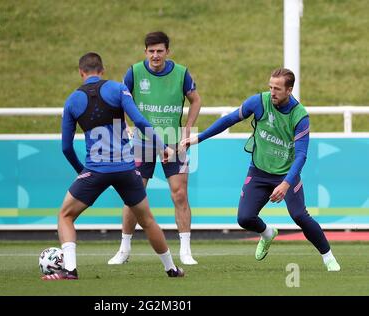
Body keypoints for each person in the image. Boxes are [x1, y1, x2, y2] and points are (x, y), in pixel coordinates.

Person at [179, 68, 340, 271]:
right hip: (259, 171)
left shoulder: (300, 116)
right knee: (244, 218)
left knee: (299, 215)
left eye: (278, 89)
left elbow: (301, 155)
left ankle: (328, 257)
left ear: (289, 90)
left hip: (286, 174)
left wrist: (286, 183)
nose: (272, 92)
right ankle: (267, 233)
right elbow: (228, 120)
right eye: (270, 87)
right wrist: (197, 138)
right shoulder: (259, 102)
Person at [41, 52, 184, 280]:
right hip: (126, 169)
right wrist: (162, 147)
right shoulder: (118, 89)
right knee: (147, 221)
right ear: (103, 70)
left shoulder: (72, 100)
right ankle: (171, 269)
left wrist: (82, 172)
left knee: (65, 216)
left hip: (95, 170)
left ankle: (70, 270)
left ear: (81, 72)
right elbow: (139, 121)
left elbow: (66, 148)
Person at [108, 31, 202, 266]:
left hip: (173, 140)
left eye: (160, 50)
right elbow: (119, 99)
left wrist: (188, 127)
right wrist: (126, 126)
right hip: (142, 142)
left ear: (167, 52)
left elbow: (196, 100)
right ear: (145, 52)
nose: (155, 55)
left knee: (180, 194)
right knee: (133, 196)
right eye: (151, 51)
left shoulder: (181, 73)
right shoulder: (134, 72)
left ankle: (185, 251)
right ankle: (124, 249)